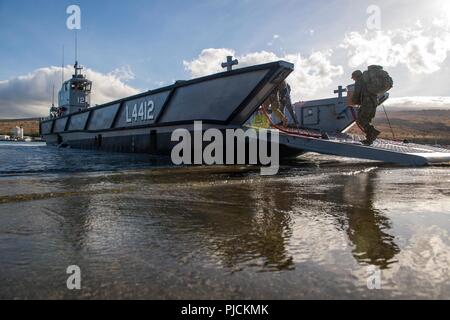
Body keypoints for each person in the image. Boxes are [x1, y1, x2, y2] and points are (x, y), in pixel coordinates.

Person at [352, 70, 381, 145]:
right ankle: (369, 139)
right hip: (373, 102)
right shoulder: (367, 80)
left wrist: (353, 101)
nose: (353, 79)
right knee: (366, 120)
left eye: (353, 77)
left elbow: (356, 93)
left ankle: (373, 132)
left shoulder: (359, 81)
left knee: (361, 119)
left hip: (367, 102)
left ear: (356, 76)